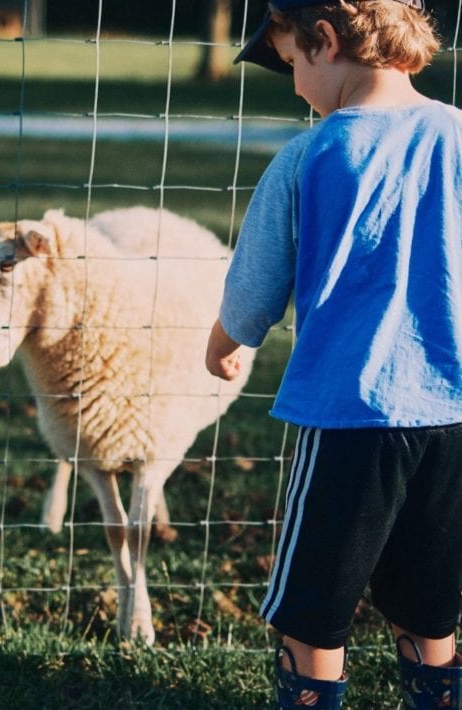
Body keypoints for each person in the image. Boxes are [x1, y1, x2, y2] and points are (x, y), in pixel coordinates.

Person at [205, 0, 462, 707]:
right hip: (452, 415)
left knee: (312, 612)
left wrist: (223, 345)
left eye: (290, 62)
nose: (292, 82)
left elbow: (254, 290)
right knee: (432, 602)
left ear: (323, 41)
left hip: (350, 416)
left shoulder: (309, 156)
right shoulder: (459, 134)